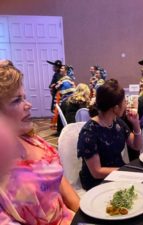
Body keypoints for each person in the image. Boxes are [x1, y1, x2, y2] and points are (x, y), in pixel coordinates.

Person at [0, 65, 79, 224]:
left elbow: (67, 195)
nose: (28, 104)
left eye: (24, 97)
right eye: (17, 100)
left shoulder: (35, 141)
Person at [77, 79, 142, 190]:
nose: (126, 104)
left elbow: (136, 146)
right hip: (98, 183)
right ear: (116, 108)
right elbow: (96, 172)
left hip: (118, 174)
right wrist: (126, 171)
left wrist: (136, 124)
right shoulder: (89, 132)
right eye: (124, 101)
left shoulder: (117, 123)